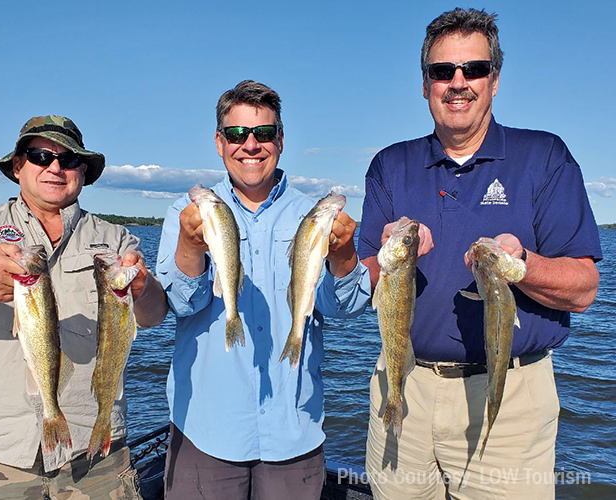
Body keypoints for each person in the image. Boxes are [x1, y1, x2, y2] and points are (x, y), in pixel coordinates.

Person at [358, 7, 602, 499]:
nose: (458, 82)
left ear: (495, 80)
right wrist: (384, 256)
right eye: (442, 71)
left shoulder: (545, 157)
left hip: (511, 396)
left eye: (474, 69)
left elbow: (584, 289)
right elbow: (360, 282)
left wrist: (521, 266)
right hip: (402, 387)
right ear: (425, 84)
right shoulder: (390, 164)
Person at [0, 115, 168, 499]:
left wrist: (141, 289)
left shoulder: (115, 238)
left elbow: (155, 315)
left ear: (84, 171)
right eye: (40, 155)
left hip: (96, 453)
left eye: (69, 159)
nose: (55, 167)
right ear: (17, 166)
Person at [155, 80, 371, 499]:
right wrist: (189, 248)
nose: (250, 145)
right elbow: (180, 304)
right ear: (219, 142)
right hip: (206, 431)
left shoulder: (310, 215)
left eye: (263, 133)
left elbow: (342, 309)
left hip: (294, 431)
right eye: (236, 134)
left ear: (281, 140)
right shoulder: (185, 215)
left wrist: (344, 257)